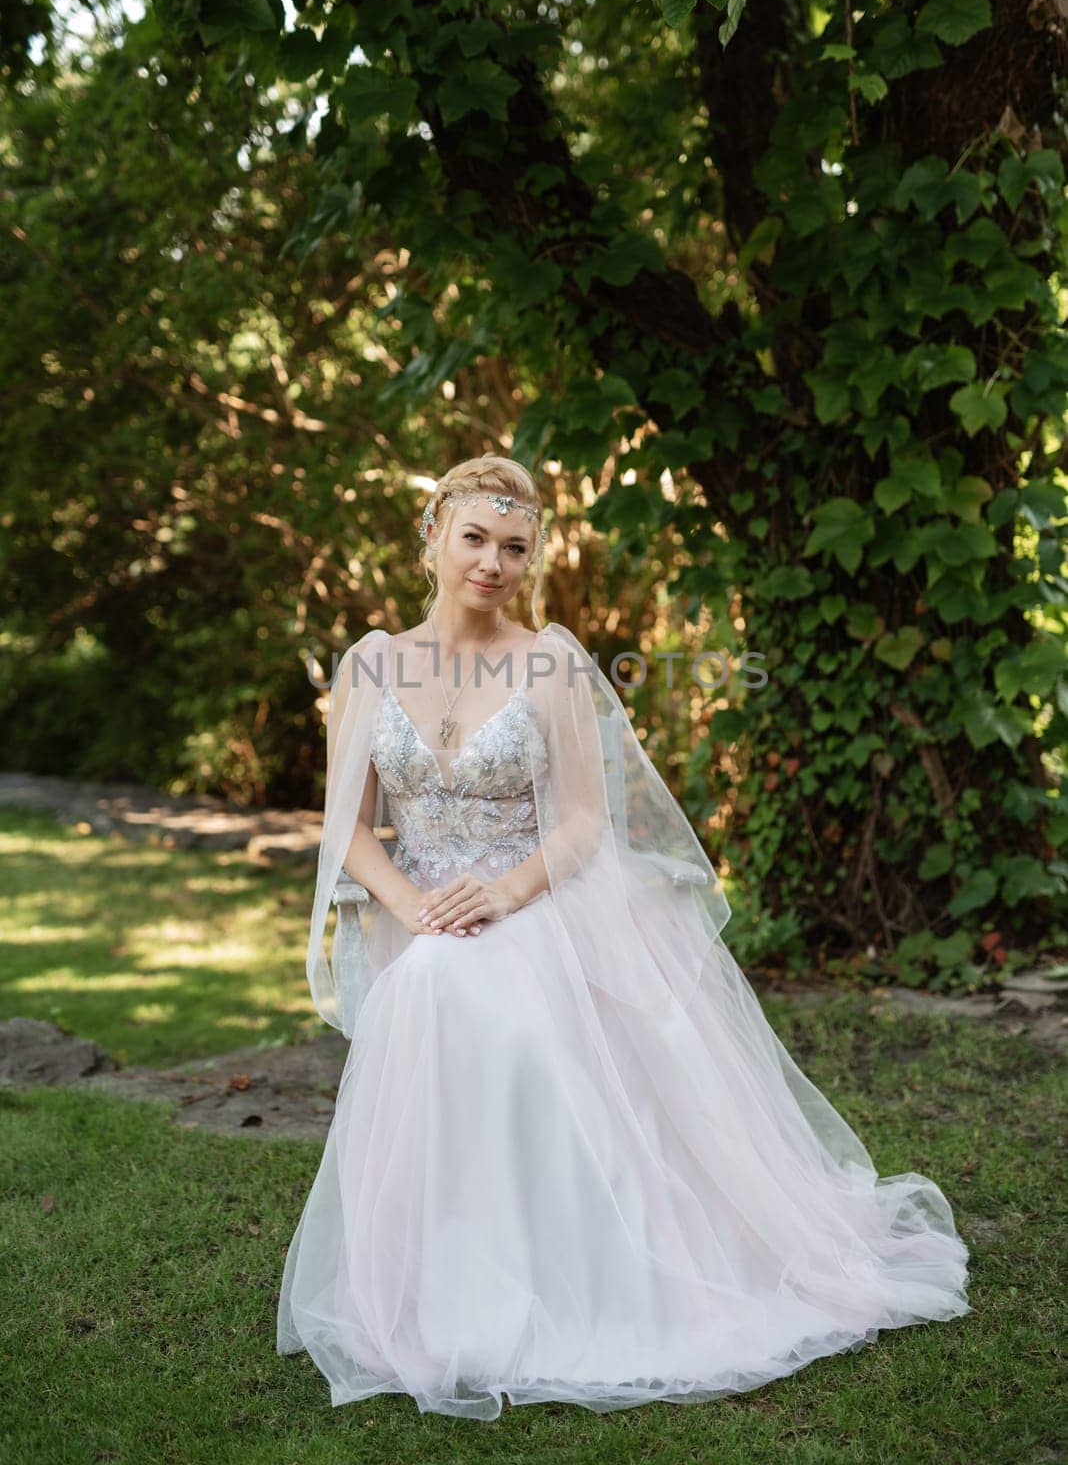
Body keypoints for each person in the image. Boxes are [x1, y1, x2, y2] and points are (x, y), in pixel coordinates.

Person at [276, 455, 971, 1422]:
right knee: (433, 986)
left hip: (533, 901)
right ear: (431, 536)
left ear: (530, 560)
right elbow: (347, 824)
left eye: (513, 547)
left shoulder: (550, 661)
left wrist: (501, 896)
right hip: (422, 913)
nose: (491, 562)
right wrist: (416, 908)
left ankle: (573, 1275)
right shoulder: (370, 665)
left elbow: (582, 826)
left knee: (490, 1011)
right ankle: (443, 1284)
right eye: (473, 537)